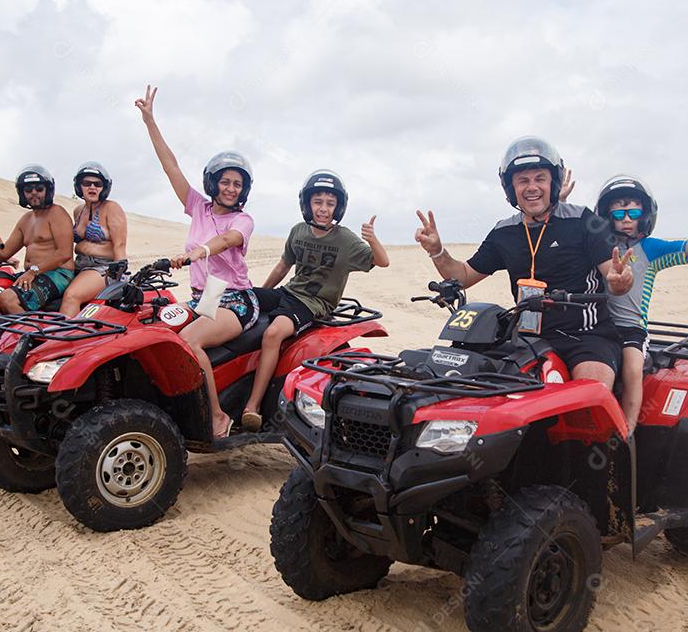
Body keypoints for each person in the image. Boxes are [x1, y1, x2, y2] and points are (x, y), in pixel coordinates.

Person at [414, 136, 633, 390]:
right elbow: (463, 275)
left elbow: (614, 278)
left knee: (590, 390)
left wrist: (620, 281)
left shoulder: (582, 220)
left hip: (587, 335)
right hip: (528, 337)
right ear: (511, 188)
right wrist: (437, 251)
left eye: (540, 178)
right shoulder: (504, 232)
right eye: (523, 181)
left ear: (554, 182)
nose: (532, 187)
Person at [136, 84, 257, 438]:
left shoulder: (243, 220)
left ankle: (217, 416)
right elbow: (169, 165)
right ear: (213, 183)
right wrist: (150, 122)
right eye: (225, 181)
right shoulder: (197, 207)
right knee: (153, 331)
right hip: (204, 297)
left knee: (188, 341)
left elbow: (227, 241)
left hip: (235, 299)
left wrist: (199, 251)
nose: (231, 188)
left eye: (237, 183)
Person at [240, 170, 389, 432]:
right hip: (288, 293)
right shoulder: (298, 231)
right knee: (239, 298)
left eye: (330, 203)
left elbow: (382, 261)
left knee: (273, 334)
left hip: (313, 304)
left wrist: (372, 239)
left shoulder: (345, 240)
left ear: (338, 207)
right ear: (307, 203)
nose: (323, 209)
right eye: (318, 202)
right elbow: (283, 266)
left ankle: (252, 406)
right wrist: (257, 296)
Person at [596, 175, 688, 433]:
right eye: (619, 213)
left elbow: (687, 248)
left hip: (632, 328)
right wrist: (561, 201)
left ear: (644, 214)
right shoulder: (599, 246)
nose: (627, 219)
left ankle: (626, 430)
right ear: (608, 216)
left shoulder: (650, 248)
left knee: (632, 370)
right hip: (600, 324)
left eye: (633, 212)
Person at [0, 165, 74, 313]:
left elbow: (64, 254)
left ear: (48, 190)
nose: (34, 193)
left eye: (39, 189)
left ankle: (32, 335)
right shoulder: (26, 220)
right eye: (28, 190)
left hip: (59, 273)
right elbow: (4, 253)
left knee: (7, 298)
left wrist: (33, 271)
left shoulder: (57, 213)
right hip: (34, 274)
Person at [59, 162, 128, 316]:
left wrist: (120, 276)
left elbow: (119, 245)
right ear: (79, 186)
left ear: (105, 187)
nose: (92, 187)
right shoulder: (78, 211)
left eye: (97, 184)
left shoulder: (111, 208)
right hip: (78, 265)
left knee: (72, 296)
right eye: (86, 183)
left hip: (103, 268)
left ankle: (65, 338)